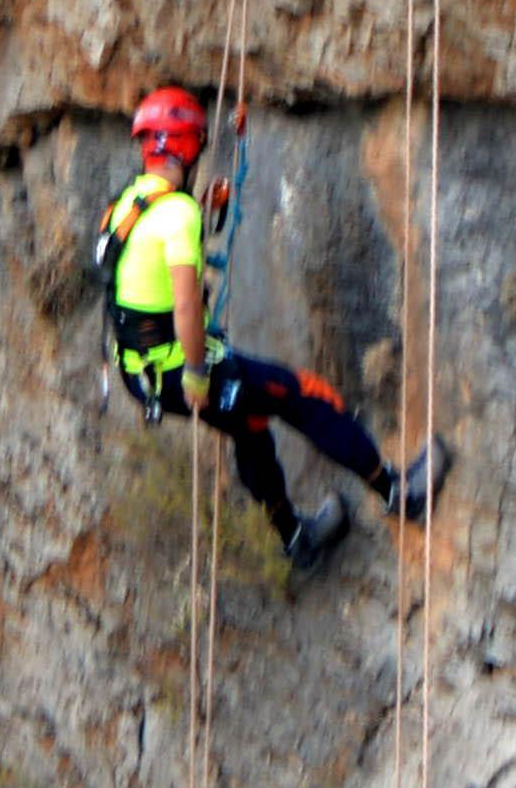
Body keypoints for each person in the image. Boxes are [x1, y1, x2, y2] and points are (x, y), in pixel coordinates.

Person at [95, 86, 446, 580]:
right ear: (188, 146)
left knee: (249, 425)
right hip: (178, 372)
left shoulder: (127, 204)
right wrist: (196, 373)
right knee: (302, 395)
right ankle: (399, 493)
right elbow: (187, 306)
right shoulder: (177, 214)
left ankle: (296, 540)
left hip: (141, 375)